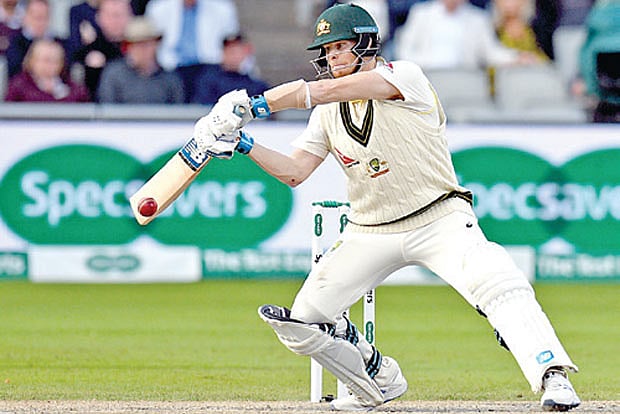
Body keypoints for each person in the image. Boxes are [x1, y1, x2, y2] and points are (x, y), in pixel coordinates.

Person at [190, 3, 582, 412]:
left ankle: (552, 375)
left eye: (340, 46)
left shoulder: (404, 76)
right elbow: (294, 172)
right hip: (369, 231)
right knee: (303, 322)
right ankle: (377, 377)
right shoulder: (326, 114)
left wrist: (252, 106)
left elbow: (321, 91)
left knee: (497, 280)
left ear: (365, 43)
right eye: (326, 50)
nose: (332, 57)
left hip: (439, 218)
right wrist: (244, 143)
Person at [144, 0, 239, 103]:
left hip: (209, 67)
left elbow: (233, 45)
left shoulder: (223, 9)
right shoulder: (157, 8)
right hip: (171, 68)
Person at [393, 0, 531, 70]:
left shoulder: (478, 19)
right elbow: (404, 50)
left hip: (463, 81)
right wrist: (425, 64)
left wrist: (516, 58)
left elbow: (490, 53)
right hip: (428, 78)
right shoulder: (421, 14)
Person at [97, 16, 184, 103]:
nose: (140, 50)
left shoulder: (170, 79)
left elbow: (178, 108)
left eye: (145, 44)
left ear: (156, 45)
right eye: (134, 45)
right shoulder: (114, 74)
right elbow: (107, 106)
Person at [70, 0, 132, 100]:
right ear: (98, 18)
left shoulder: (141, 49)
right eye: (110, 15)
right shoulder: (86, 53)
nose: (116, 21)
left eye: (120, 15)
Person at [193, 33, 268, 105]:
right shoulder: (209, 78)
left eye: (236, 51)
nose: (232, 55)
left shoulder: (254, 85)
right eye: (229, 51)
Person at [5, 38, 89, 101]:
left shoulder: (74, 89)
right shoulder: (18, 87)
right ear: (32, 61)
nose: (51, 65)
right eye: (46, 60)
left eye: (56, 60)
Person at [5, 0, 55, 77]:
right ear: (25, 16)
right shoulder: (15, 42)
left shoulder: (57, 43)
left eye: (44, 17)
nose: (40, 22)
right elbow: (15, 73)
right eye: (36, 17)